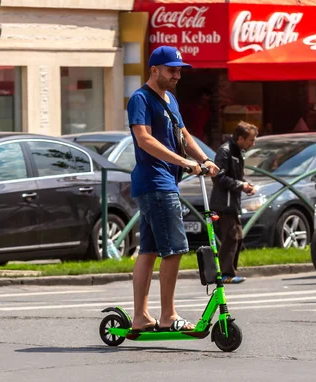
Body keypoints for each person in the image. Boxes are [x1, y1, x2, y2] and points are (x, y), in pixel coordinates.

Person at [127, 45, 219, 332]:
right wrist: (183, 162)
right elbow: (144, 139)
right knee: (175, 249)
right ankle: (168, 315)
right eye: (171, 70)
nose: (177, 75)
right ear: (154, 70)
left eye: (179, 70)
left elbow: (183, 134)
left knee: (150, 250)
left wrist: (203, 158)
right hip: (155, 182)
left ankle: (141, 317)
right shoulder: (141, 99)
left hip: (163, 181)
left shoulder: (171, 101)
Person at [210, 121, 258, 284]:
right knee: (231, 237)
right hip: (224, 203)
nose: (253, 143)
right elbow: (219, 177)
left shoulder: (238, 152)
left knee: (237, 237)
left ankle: (230, 271)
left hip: (233, 202)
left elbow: (236, 176)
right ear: (240, 138)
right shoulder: (225, 151)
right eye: (251, 140)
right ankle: (225, 273)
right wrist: (240, 185)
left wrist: (246, 184)